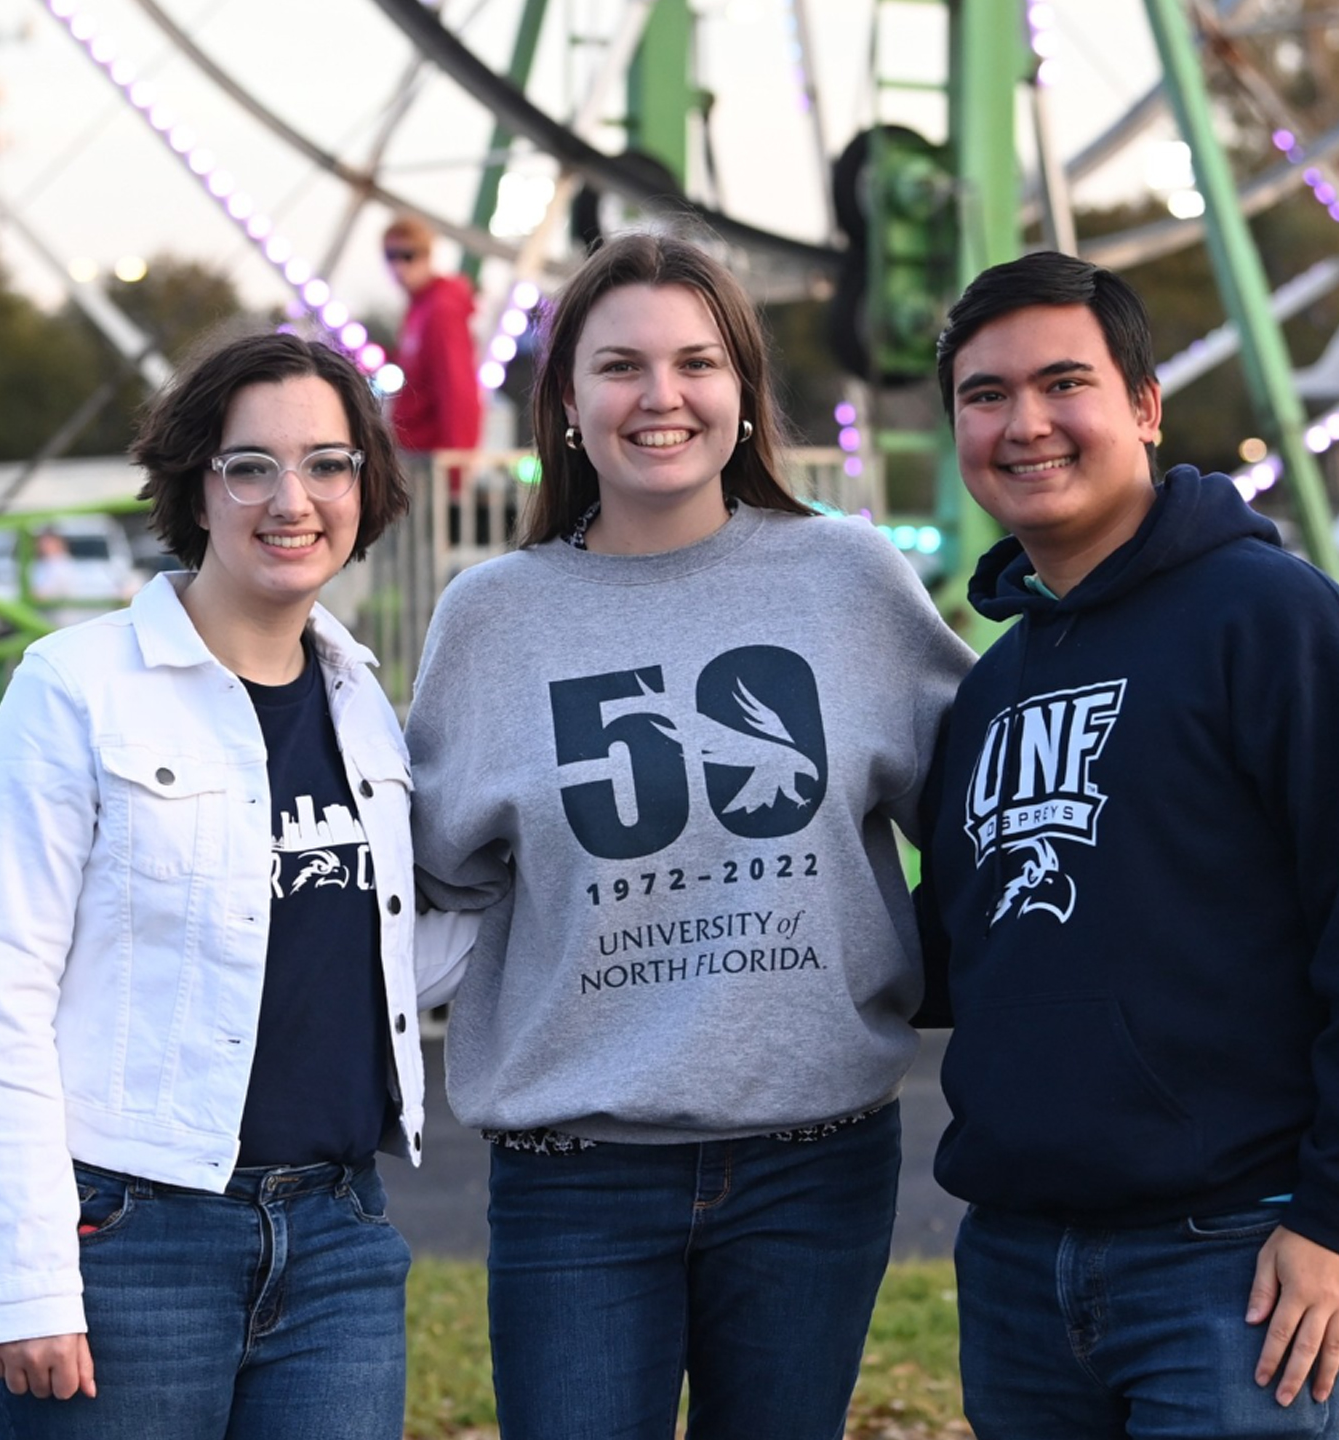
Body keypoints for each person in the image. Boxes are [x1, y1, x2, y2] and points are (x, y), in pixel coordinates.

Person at [406, 230, 974, 1440]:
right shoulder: (492, 618)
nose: (661, 397)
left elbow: (983, 815)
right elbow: (432, 867)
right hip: (575, 1175)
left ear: (743, 390)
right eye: (620, 366)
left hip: (814, 1162)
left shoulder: (850, 581)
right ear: (565, 400)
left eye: (696, 363)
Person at [917, 249, 1339, 1440]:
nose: (1025, 424)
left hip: (1233, 1260)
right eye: (985, 397)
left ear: (1144, 406)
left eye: (1063, 384)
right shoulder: (990, 690)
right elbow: (964, 957)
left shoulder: (1280, 625)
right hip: (1017, 1261)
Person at [0, 331, 474, 1439]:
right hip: (127, 1241)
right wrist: (24, 1283)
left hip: (341, 1232)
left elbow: (366, 951)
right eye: (251, 465)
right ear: (196, 487)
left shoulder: (366, 710)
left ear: (364, 488)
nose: (291, 498)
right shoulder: (77, 691)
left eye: (327, 464)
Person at [383, 213, 483, 459]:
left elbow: (456, 388)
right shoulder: (417, 310)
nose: (399, 266)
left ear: (427, 256)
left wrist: (457, 465)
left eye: (408, 255)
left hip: (434, 461)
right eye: (391, 256)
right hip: (416, 454)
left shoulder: (441, 310)